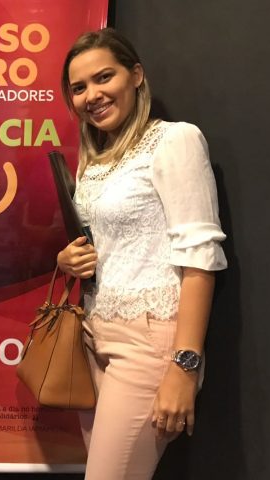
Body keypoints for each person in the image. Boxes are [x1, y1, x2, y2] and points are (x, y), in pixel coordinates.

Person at [56, 29, 227, 479]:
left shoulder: (175, 140)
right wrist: (69, 259)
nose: (92, 95)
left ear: (135, 75)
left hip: (149, 345)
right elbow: (114, 242)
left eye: (104, 77)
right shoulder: (94, 159)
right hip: (93, 339)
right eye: (79, 87)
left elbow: (200, 259)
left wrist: (183, 367)